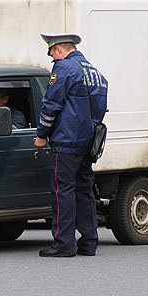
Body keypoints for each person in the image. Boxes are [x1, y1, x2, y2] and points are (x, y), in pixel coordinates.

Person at [34, 33, 108, 257]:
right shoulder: (96, 73)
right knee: (84, 191)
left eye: (53, 56)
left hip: (66, 140)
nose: (54, 61)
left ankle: (63, 244)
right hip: (88, 142)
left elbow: (51, 104)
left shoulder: (65, 68)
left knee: (62, 191)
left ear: (57, 50)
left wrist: (41, 134)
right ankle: (89, 243)